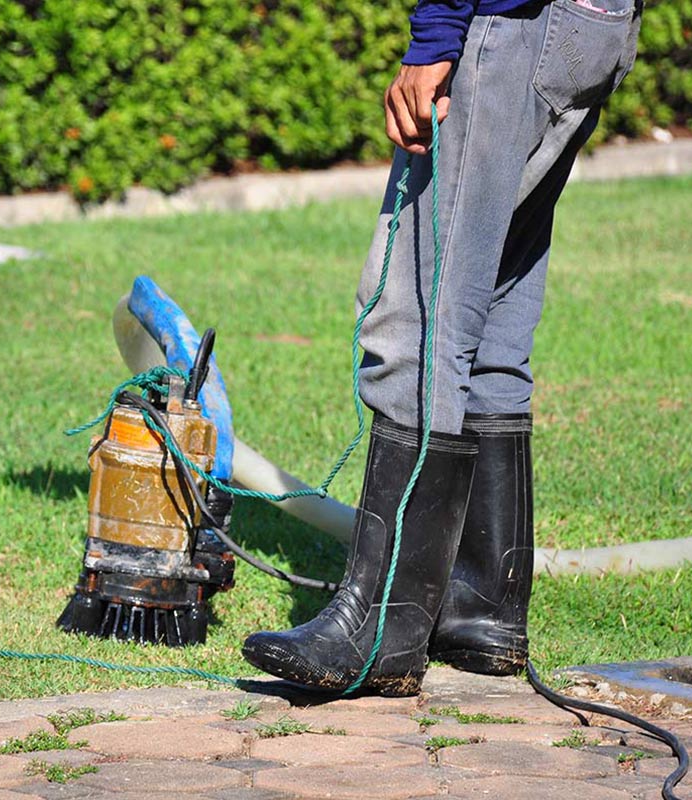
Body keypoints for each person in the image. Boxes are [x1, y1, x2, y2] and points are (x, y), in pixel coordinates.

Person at [242, 0, 643, 695]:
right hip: (590, 25)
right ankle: (481, 607)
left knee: (418, 320)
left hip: (511, 26)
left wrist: (436, 35)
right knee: (490, 314)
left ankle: (378, 630)